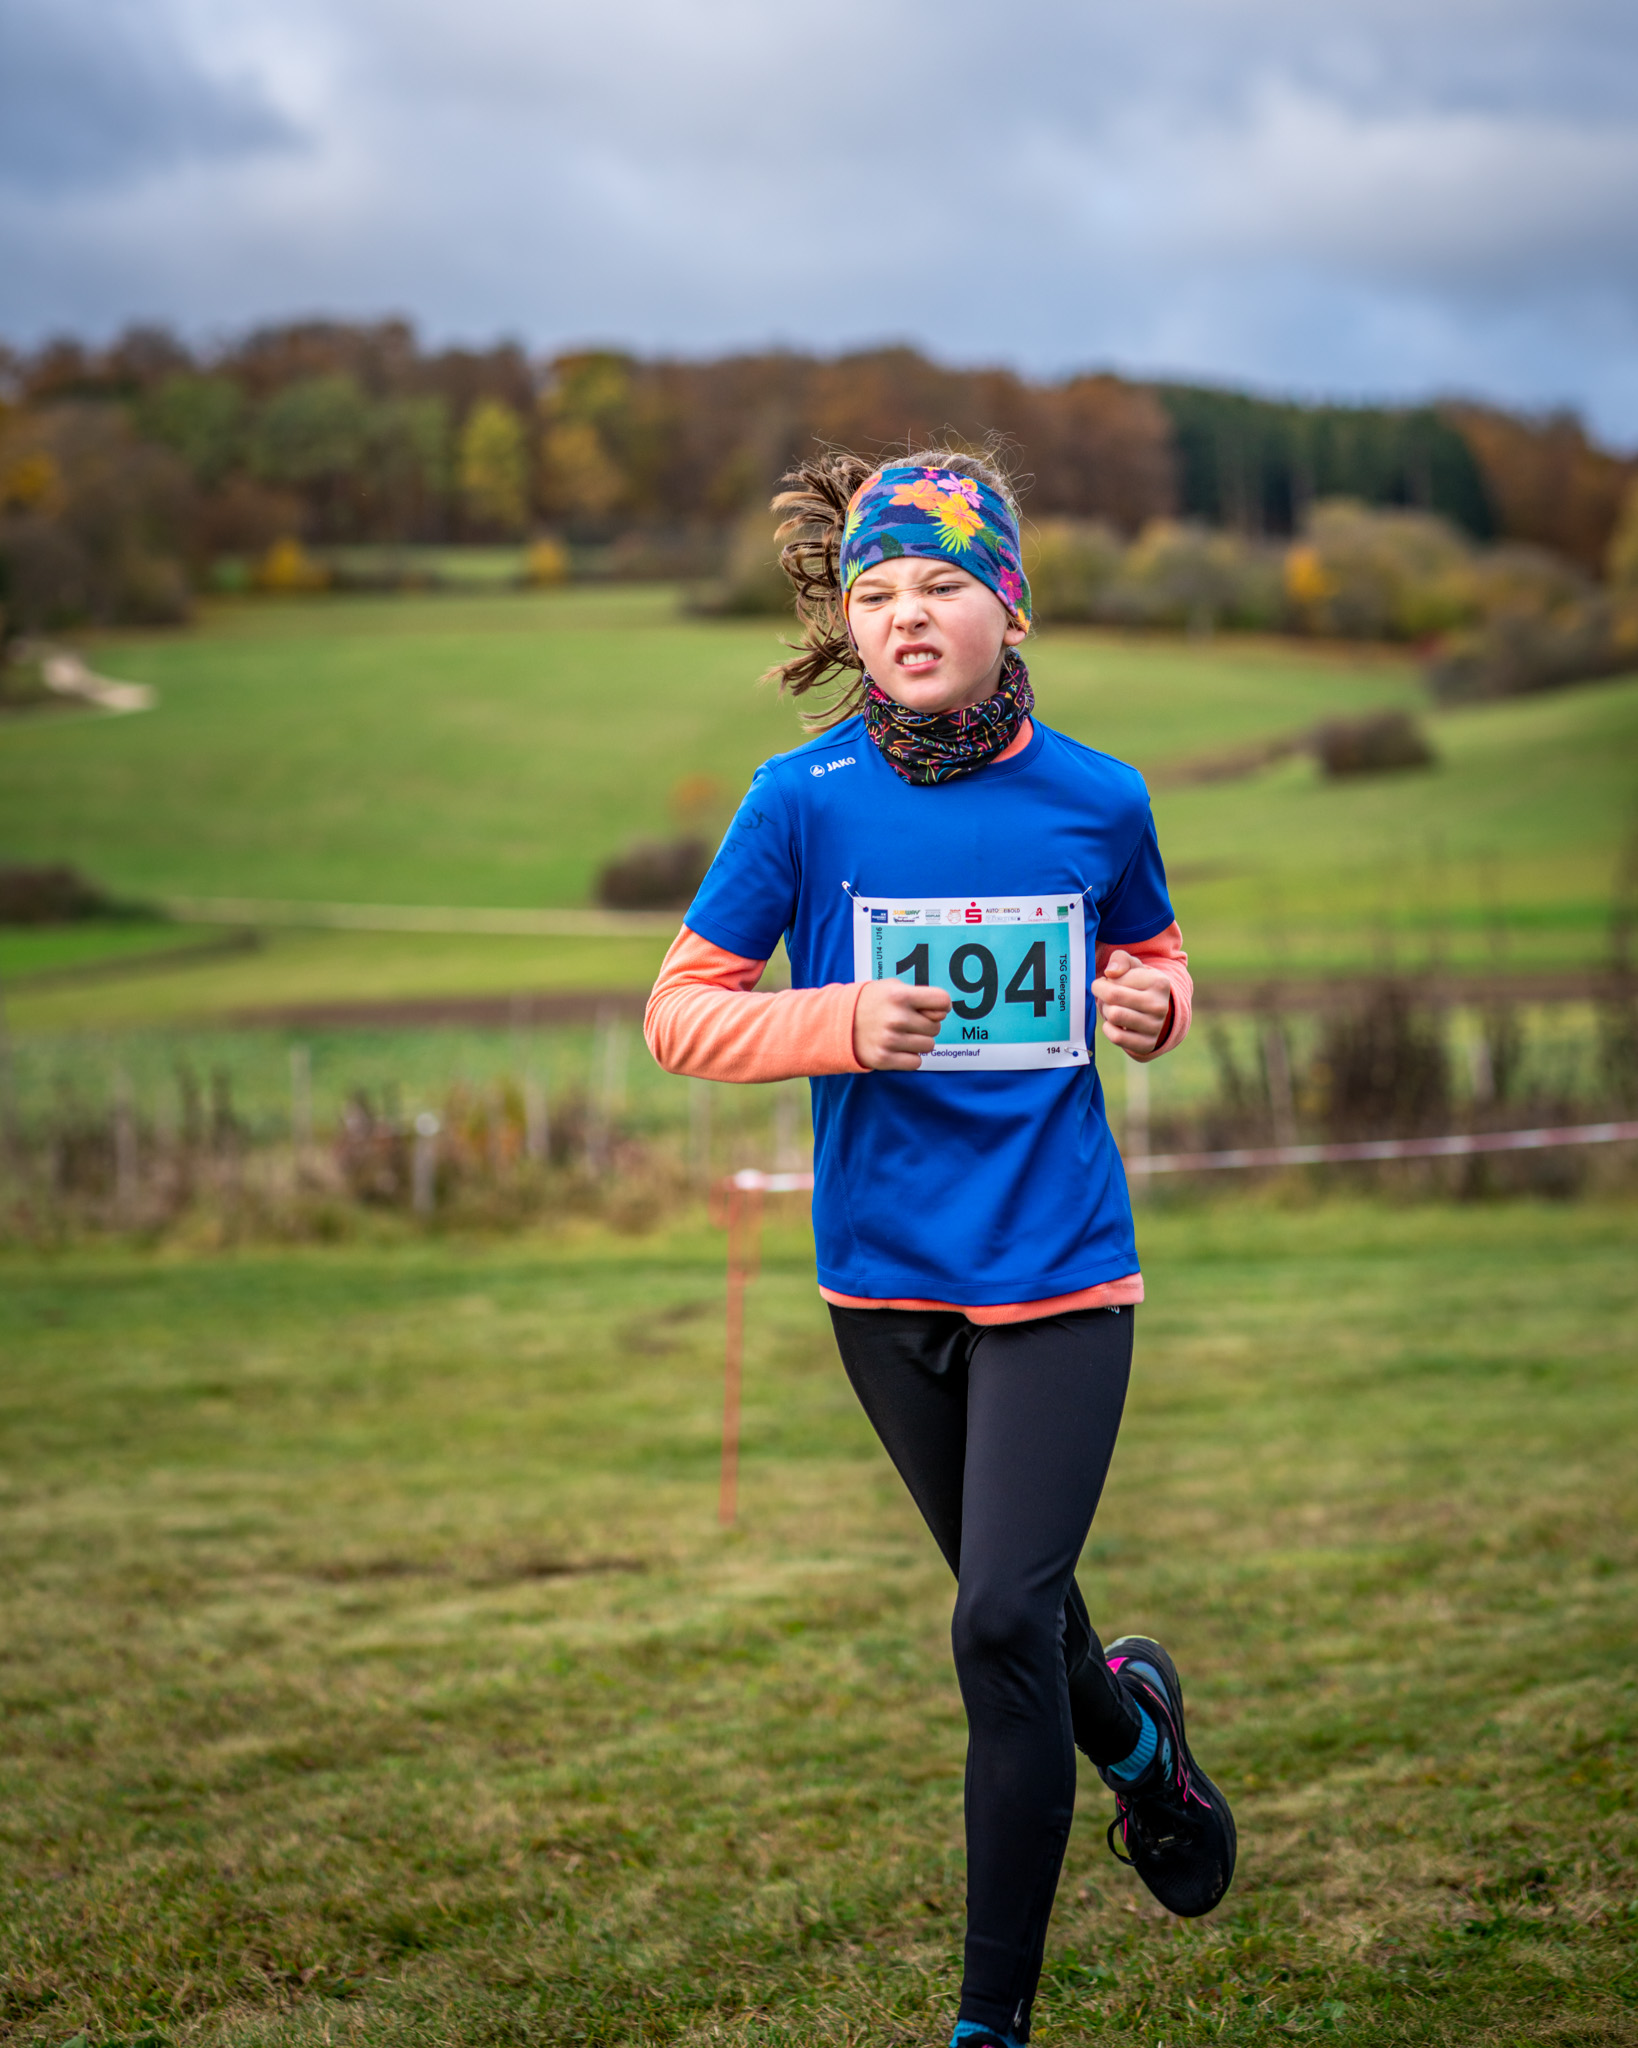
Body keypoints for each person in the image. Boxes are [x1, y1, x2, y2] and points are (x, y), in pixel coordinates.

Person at [644, 449, 1235, 2048]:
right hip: (882, 1282)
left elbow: (1157, 956)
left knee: (990, 1624)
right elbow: (679, 1015)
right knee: (1022, 1613)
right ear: (847, 622)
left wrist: (1154, 1007)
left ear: (1010, 608)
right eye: (876, 590)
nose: (906, 614)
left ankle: (989, 2025)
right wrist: (838, 1020)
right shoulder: (800, 802)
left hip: (1059, 1267)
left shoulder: (1100, 798)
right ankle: (1142, 1752)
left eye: (943, 584)